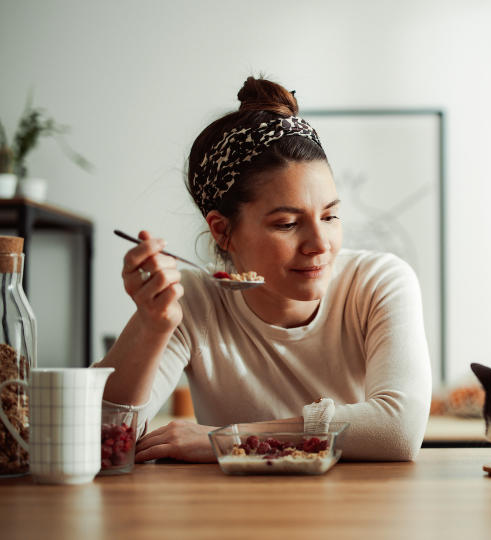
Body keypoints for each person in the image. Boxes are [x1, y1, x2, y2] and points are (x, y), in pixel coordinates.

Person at [95, 77, 432, 462]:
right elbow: (106, 440)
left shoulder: (378, 282)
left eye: (330, 215)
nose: (320, 244)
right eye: (287, 224)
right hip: (235, 517)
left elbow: (398, 430)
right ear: (223, 231)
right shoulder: (192, 302)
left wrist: (230, 439)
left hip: (354, 514)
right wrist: (151, 326)